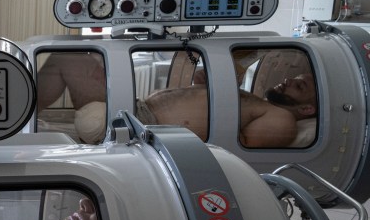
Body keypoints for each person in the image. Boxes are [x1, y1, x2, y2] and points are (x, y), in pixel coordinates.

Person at [37, 52, 317, 147]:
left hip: (141, 126)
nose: (289, 79)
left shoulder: (281, 120)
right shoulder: (260, 104)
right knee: (74, 58)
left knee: (68, 60)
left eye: (300, 85)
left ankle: (18, 121)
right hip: (139, 109)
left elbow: (232, 147)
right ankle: (22, 116)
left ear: (307, 108)